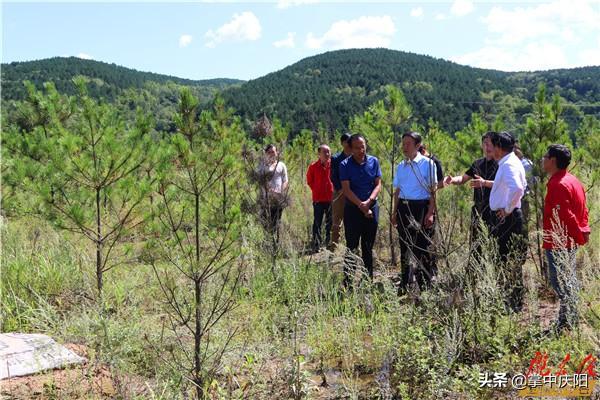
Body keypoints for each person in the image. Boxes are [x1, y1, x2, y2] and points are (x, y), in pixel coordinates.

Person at [542, 144, 590, 332]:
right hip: (566, 239)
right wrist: (582, 231)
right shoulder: (572, 180)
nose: (543, 159)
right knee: (566, 278)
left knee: (561, 281)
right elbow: (583, 209)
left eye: (545, 156)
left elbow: (566, 215)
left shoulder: (558, 184)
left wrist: (579, 234)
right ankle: (566, 319)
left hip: (559, 241)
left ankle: (570, 320)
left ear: (552, 160)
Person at [392, 131, 438, 291]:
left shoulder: (428, 164)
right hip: (404, 207)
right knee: (404, 246)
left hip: (421, 207)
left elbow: (433, 191)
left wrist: (430, 213)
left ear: (418, 145)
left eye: (408, 144)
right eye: (403, 143)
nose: (404, 147)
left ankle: (425, 284)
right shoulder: (401, 166)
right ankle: (405, 284)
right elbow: (397, 191)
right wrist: (394, 212)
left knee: (422, 247)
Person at [488, 131, 527, 313]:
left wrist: (508, 209)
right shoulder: (511, 162)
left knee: (507, 259)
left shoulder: (509, 164)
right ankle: (511, 300)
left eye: (492, 146)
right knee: (508, 259)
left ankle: (511, 302)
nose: (490, 150)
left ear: (499, 148)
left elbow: (518, 188)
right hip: (508, 216)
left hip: (507, 218)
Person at [444, 132, 498, 258]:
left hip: (495, 210)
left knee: (493, 245)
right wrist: (452, 180)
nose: (487, 147)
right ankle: (474, 274)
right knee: (475, 245)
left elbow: (504, 185)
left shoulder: (501, 164)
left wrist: (484, 183)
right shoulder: (477, 163)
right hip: (478, 209)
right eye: (485, 143)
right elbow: (463, 179)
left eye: (490, 144)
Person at [339, 134, 382, 288]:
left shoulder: (374, 161)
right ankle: (348, 282)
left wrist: (369, 202)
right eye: (357, 147)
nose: (361, 150)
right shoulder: (344, 164)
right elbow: (346, 189)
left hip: (371, 208)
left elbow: (378, 184)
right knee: (351, 246)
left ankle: (367, 280)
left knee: (368, 246)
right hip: (352, 210)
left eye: (363, 146)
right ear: (350, 148)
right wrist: (361, 205)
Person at [258, 144, 288, 245]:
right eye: (269, 152)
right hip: (265, 199)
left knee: (276, 222)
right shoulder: (262, 166)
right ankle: (266, 244)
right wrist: (268, 190)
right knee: (266, 223)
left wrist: (280, 191)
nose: (271, 154)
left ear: (277, 152)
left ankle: (276, 244)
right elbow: (259, 180)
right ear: (266, 154)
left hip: (278, 199)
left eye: (273, 152)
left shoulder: (281, 165)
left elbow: (285, 180)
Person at [306, 144, 334, 252]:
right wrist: (317, 189)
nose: (327, 154)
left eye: (328, 151)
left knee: (330, 223)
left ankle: (329, 244)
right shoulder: (313, 166)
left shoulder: (333, 165)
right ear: (319, 154)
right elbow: (309, 181)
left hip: (331, 199)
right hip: (318, 199)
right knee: (317, 222)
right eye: (325, 152)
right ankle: (316, 244)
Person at [330, 133, 352, 248]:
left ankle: (352, 247)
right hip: (339, 193)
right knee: (336, 221)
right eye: (347, 142)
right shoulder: (336, 158)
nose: (349, 144)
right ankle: (334, 246)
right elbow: (333, 176)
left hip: (353, 194)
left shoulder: (355, 157)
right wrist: (339, 189)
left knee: (352, 221)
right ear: (342, 143)